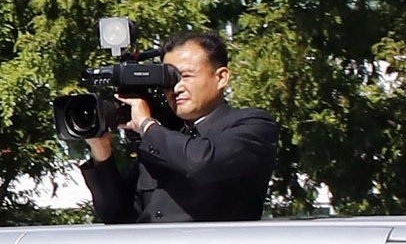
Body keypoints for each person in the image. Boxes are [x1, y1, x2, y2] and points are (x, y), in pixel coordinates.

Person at [79, 31, 277, 224]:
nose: (176, 88)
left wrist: (148, 126)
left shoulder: (254, 125)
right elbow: (118, 215)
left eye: (186, 76)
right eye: (169, 80)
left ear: (221, 78)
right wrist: (101, 151)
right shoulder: (161, 135)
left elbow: (202, 162)